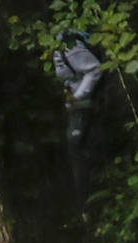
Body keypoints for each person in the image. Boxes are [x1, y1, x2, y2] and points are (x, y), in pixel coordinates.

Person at [53, 29, 103, 205]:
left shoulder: (69, 45)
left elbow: (94, 70)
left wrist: (78, 95)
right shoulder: (59, 44)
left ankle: (89, 205)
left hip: (83, 108)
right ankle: (89, 204)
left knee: (80, 156)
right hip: (78, 108)